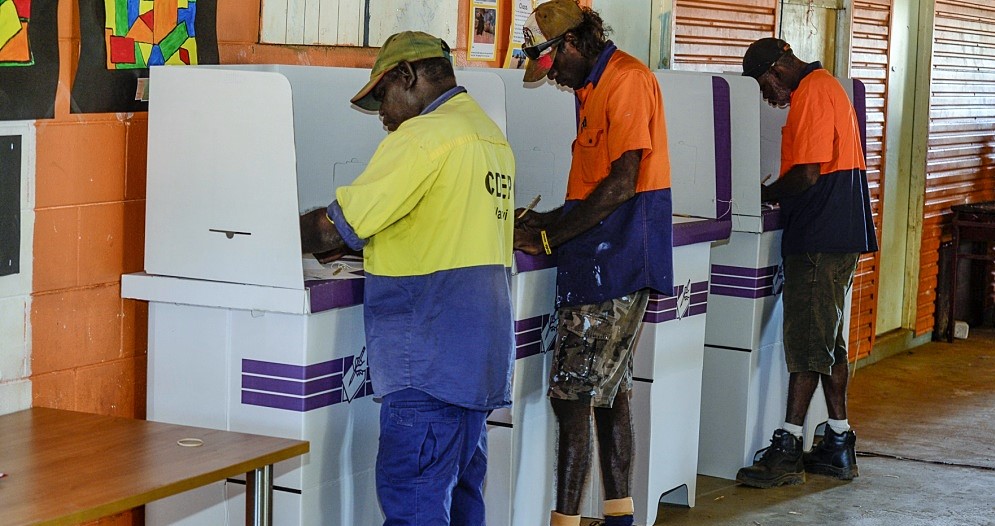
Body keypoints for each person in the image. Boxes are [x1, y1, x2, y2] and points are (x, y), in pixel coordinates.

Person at [298, 31, 516, 524]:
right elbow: (438, 225)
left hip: (429, 366)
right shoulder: (488, 136)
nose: (383, 114)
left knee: (413, 504)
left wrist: (270, 235)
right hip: (476, 364)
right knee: (461, 502)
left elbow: (334, 225)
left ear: (407, 75)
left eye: (383, 96)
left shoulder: (422, 137)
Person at [514, 1, 673, 525]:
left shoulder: (626, 80)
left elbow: (623, 184)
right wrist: (538, 223)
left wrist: (548, 238)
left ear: (571, 43)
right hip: (600, 256)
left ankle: (564, 521)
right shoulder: (591, 87)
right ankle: (620, 516)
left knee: (572, 396)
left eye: (551, 63)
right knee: (609, 393)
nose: (551, 76)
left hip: (617, 260)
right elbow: (589, 191)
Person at [735, 37, 877, 489]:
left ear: (776, 71)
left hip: (820, 235)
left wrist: (762, 193)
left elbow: (808, 173)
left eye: (765, 88)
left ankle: (788, 447)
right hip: (838, 230)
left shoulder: (812, 92)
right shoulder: (827, 86)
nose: (768, 99)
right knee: (829, 341)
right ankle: (838, 440)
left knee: (807, 345)